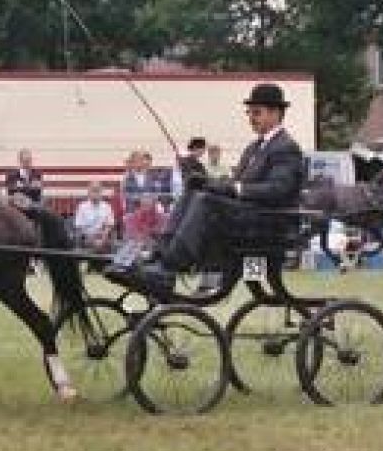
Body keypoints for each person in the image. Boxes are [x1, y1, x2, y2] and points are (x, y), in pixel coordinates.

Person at [110, 82, 306, 297]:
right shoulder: (254, 148)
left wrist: (233, 188)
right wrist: (204, 179)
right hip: (246, 219)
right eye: (249, 112)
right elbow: (235, 182)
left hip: (267, 224)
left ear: (276, 113)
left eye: (256, 112)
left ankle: (170, 267)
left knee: (205, 201)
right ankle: (161, 257)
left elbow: (279, 189)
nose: (251, 117)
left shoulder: (286, 147)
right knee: (195, 191)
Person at [72, 182, 117, 253]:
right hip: (86, 239)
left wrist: (102, 239)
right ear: (88, 192)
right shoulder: (82, 207)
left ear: (101, 192)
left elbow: (110, 225)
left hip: (103, 240)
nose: (95, 194)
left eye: (97, 191)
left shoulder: (107, 206)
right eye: (93, 190)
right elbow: (79, 227)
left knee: (107, 243)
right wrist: (91, 240)